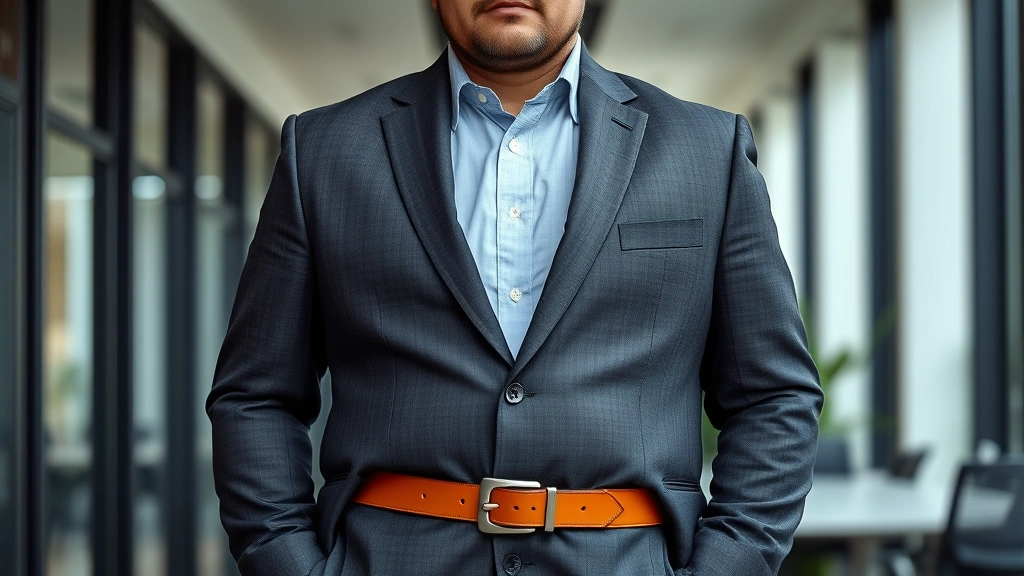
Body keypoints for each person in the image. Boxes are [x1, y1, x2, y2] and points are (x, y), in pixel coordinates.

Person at [206, 1, 824, 575]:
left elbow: (774, 396)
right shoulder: (324, 150)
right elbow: (256, 394)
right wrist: (287, 560)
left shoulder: (705, 151)